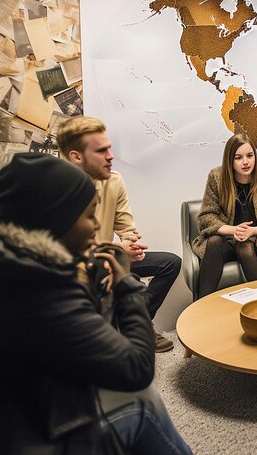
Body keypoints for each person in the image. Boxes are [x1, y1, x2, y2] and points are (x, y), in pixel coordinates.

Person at [0, 153, 257, 455]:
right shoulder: (40, 289)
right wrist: (127, 286)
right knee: (138, 397)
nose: (95, 229)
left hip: (28, 416)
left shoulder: (9, 266)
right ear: (57, 219)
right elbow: (137, 367)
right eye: (88, 217)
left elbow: (88, 342)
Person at [56, 116, 180, 352]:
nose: (111, 156)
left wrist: (129, 243)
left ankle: (137, 323)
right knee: (106, 269)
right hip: (72, 269)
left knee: (170, 263)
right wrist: (115, 250)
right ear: (76, 156)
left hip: (107, 256)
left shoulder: (114, 181)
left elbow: (125, 225)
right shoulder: (55, 189)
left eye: (109, 148)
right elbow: (62, 252)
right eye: (102, 150)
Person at [193, 133, 257, 297]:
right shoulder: (217, 177)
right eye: (238, 157)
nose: (246, 162)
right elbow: (206, 218)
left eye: (250, 156)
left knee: (250, 244)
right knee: (213, 241)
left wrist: (252, 231)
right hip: (228, 241)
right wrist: (234, 230)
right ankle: (200, 304)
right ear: (230, 160)